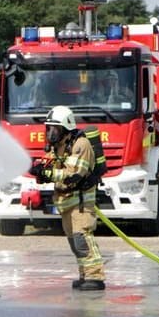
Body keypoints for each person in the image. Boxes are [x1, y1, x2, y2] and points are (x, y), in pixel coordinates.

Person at [29, 105, 106, 291]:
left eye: (54, 129)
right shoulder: (59, 146)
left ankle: (95, 277)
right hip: (65, 202)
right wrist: (39, 168)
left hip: (80, 202)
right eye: (49, 128)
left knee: (82, 239)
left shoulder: (81, 145)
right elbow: (50, 164)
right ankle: (84, 275)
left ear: (66, 127)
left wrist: (48, 173)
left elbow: (73, 174)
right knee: (74, 242)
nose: (50, 133)